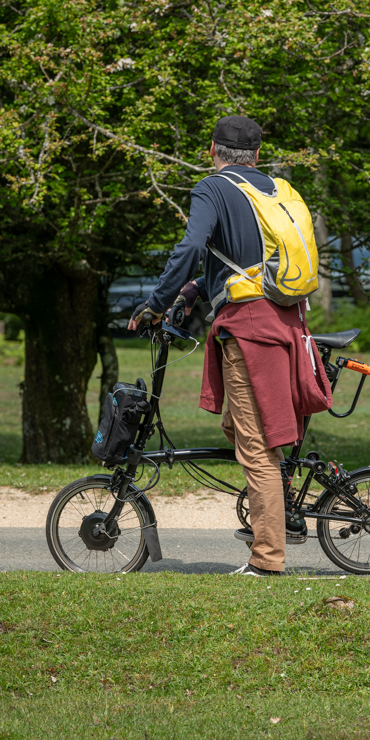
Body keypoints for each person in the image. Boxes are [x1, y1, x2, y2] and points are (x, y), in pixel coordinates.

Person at [129, 115, 331, 576]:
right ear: (257, 154)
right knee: (242, 431)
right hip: (286, 324)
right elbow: (243, 263)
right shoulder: (275, 189)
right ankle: (279, 514)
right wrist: (197, 289)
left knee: (256, 448)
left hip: (249, 331)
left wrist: (156, 304)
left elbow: (189, 249)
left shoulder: (214, 188)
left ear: (213, 150)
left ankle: (267, 559)